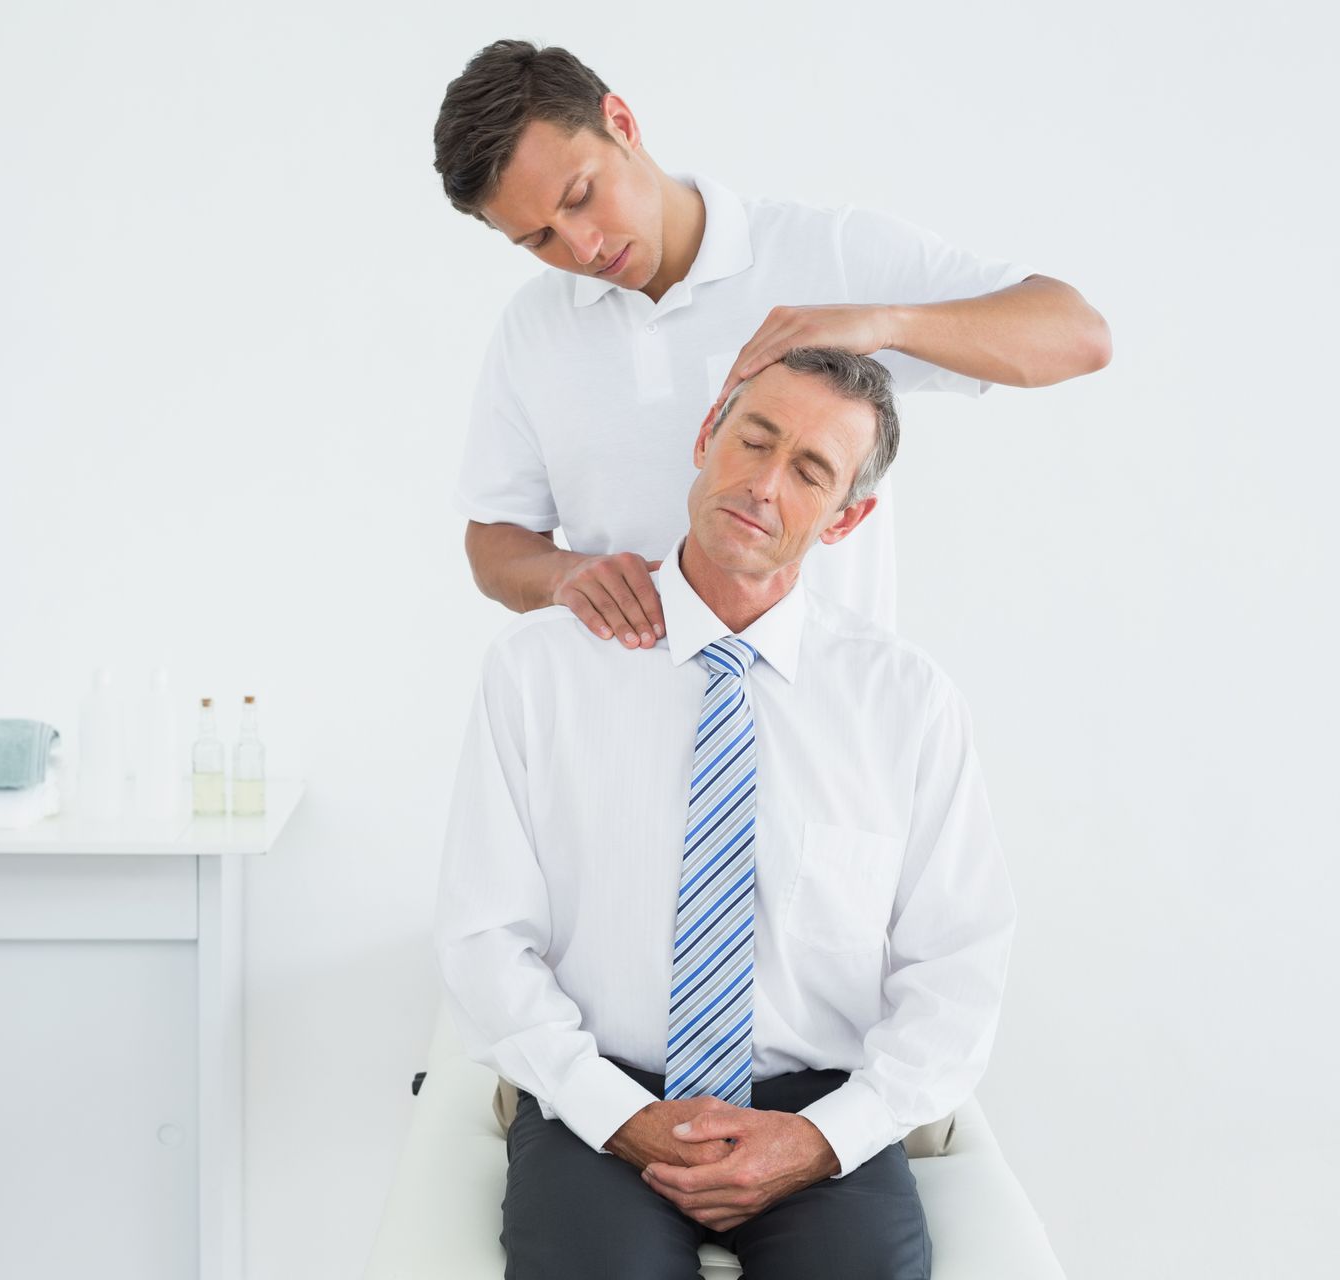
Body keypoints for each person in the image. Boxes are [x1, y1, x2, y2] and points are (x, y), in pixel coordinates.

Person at [436, 347, 1017, 1279]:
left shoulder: (906, 702)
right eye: (754, 440)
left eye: (811, 471)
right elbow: (484, 935)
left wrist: (826, 1137)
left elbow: (958, 964)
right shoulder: (538, 671)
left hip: (817, 1112)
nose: (763, 483)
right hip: (601, 1092)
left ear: (847, 518)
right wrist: (615, 1114)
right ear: (708, 437)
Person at [434, 39, 1111, 649]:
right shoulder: (533, 330)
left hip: (827, 723)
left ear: (622, 123)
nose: (581, 246)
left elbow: (1079, 335)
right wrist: (561, 575)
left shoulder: (832, 253)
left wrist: (886, 323)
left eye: (581, 195)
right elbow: (493, 539)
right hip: (626, 729)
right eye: (538, 240)